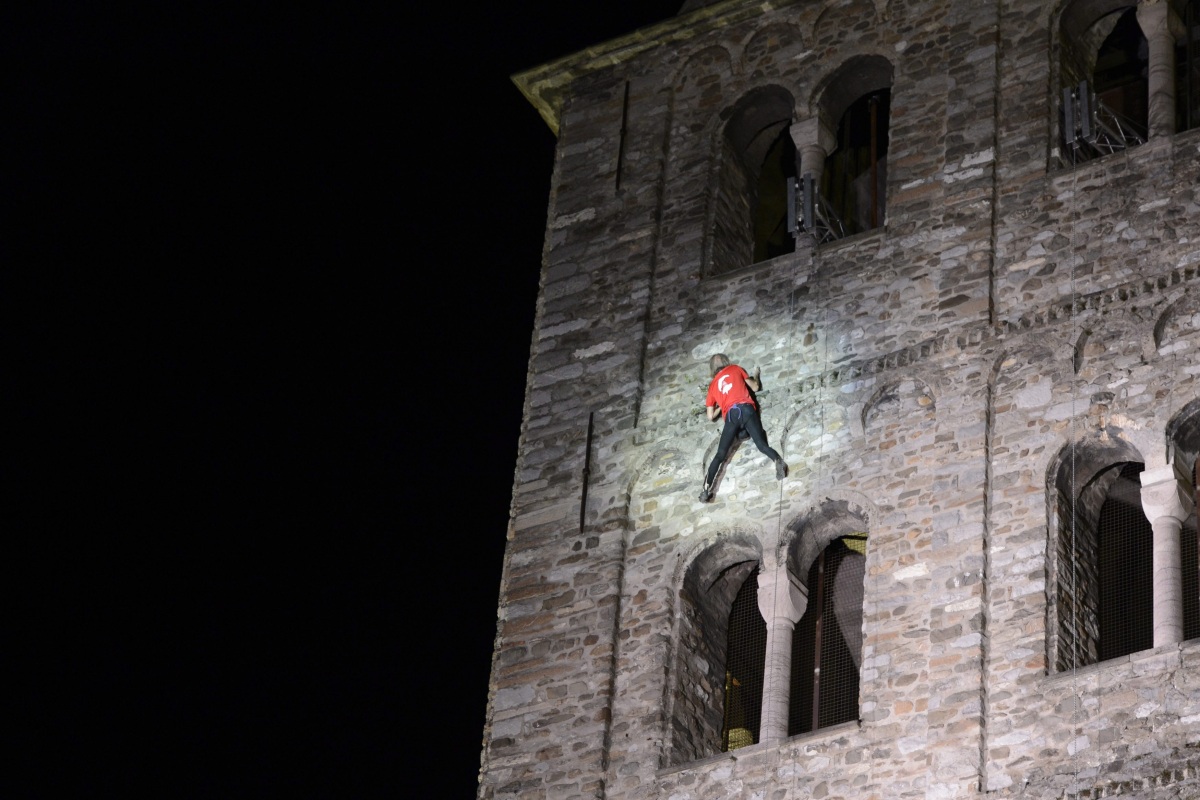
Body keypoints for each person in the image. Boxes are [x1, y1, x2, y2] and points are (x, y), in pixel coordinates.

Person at [699, 353, 787, 502]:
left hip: (732, 416)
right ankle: (777, 460)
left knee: (720, 455)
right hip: (746, 409)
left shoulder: (712, 385)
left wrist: (722, 405)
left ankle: (705, 490)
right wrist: (756, 375)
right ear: (726, 361)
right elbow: (755, 387)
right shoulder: (735, 369)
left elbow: (710, 415)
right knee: (761, 445)